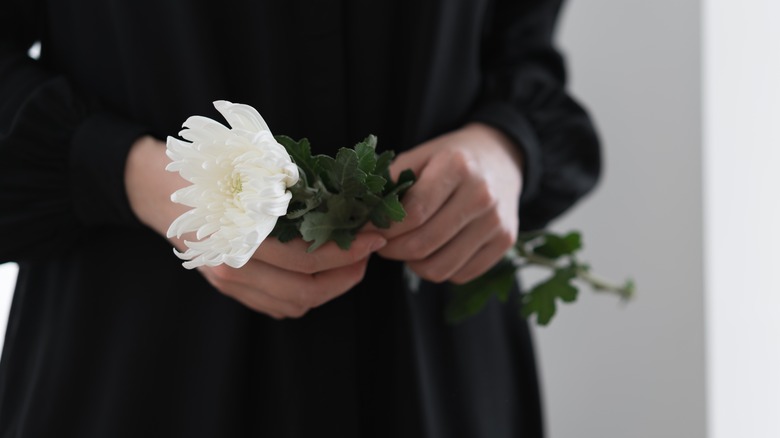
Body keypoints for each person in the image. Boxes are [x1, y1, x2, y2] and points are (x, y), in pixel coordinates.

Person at [0, 0, 600, 436]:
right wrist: (136, 174)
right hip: (137, 358)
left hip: (434, 355)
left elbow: (521, 48)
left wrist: (504, 148)